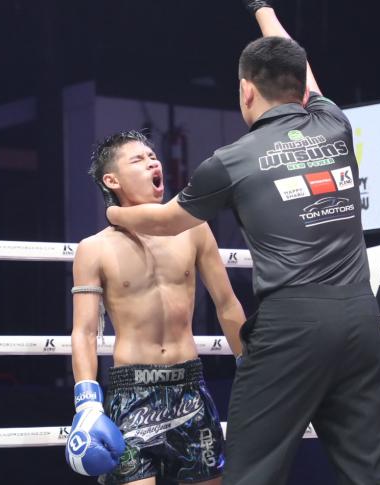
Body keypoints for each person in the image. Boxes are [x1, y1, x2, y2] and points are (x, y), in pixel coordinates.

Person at [106, 0, 380, 485]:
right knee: (369, 474)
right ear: (299, 89)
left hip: (292, 327)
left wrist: (113, 210)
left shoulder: (233, 160)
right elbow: (300, 69)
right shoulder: (333, 124)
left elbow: (165, 222)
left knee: (250, 473)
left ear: (245, 91)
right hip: (360, 318)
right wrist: (263, 8)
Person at [66, 130, 247, 485]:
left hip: (189, 387)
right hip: (131, 392)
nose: (153, 162)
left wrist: (249, 364)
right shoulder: (94, 248)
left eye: (153, 156)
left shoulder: (194, 230)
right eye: (138, 159)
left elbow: (227, 304)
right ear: (112, 180)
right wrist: (86, 401)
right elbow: (85, 331)